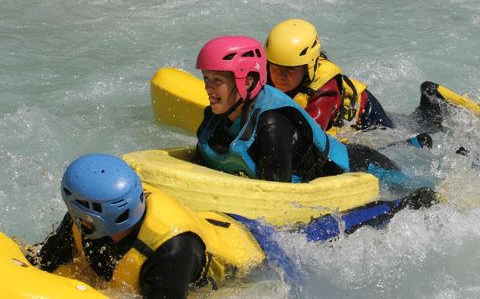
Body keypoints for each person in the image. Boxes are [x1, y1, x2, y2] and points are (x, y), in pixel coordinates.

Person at [27, 153, 438, 298]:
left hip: (254, 248)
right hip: (215, 225)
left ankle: (411, 204)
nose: (72, 219)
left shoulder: (170, 251)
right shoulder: (87, 218)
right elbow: (41, 262)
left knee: (331, 231)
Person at [195, 35, 411, 185]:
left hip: (362, 167)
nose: (208, 88)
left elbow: (278, 197)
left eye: (217, 80)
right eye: (206, 79)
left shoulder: (272, 124)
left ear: (249, 82)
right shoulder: (213, 118)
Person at [264, 19, 452, 134]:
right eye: (275, 66)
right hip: (338, 111)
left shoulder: (325, 87)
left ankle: (433, 103)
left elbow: (311, 132)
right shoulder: (267, 71)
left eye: (290, 69)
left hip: (367, 114)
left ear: (309, 67)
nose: (279, 75)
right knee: (407, 121)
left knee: (410, 130)